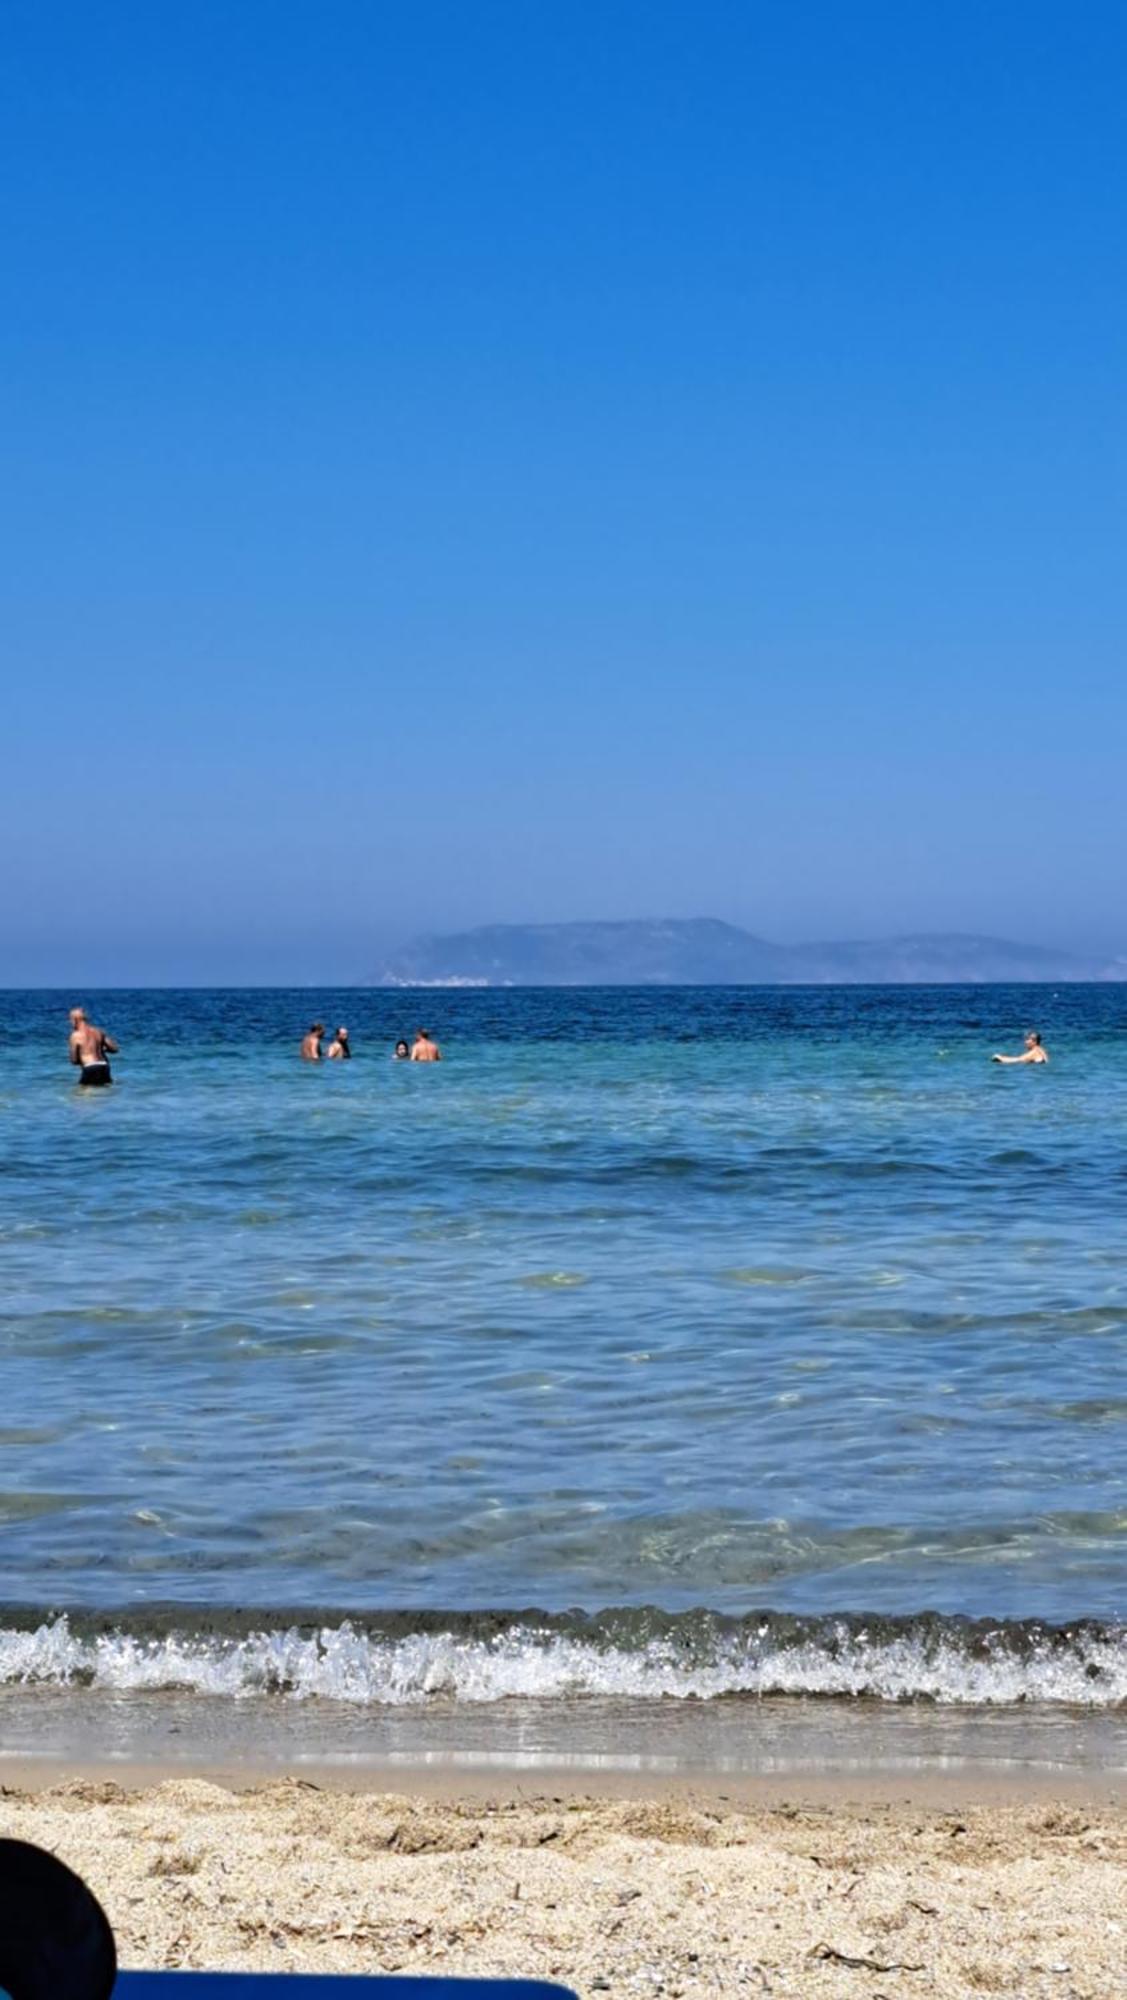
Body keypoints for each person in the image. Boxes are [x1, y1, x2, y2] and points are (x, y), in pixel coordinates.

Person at [68, 1007, 119, 1088]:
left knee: (81, 1095)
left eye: (70, 1019)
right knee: (104, 1092)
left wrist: (81, 1056)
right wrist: (100, 1049)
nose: (70, 1022)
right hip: (104, 1066)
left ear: (75, 1020)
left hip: (90, 1067)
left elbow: (74, 1060)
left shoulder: (75, 1036)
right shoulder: (98, 1031)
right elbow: (115, 1049)